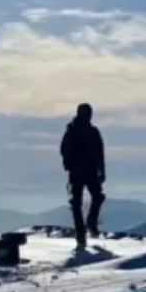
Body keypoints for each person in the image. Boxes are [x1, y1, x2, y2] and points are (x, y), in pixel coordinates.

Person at [60, 102, 105, 247]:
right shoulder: (73, 131)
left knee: (93, 198)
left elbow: (99, 152)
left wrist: (101, 169)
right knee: (79, 202)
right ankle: (82, 233)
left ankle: (88, 226)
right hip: (79, 171)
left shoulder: (90, 131)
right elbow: (63, 149)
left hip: (87, 170)